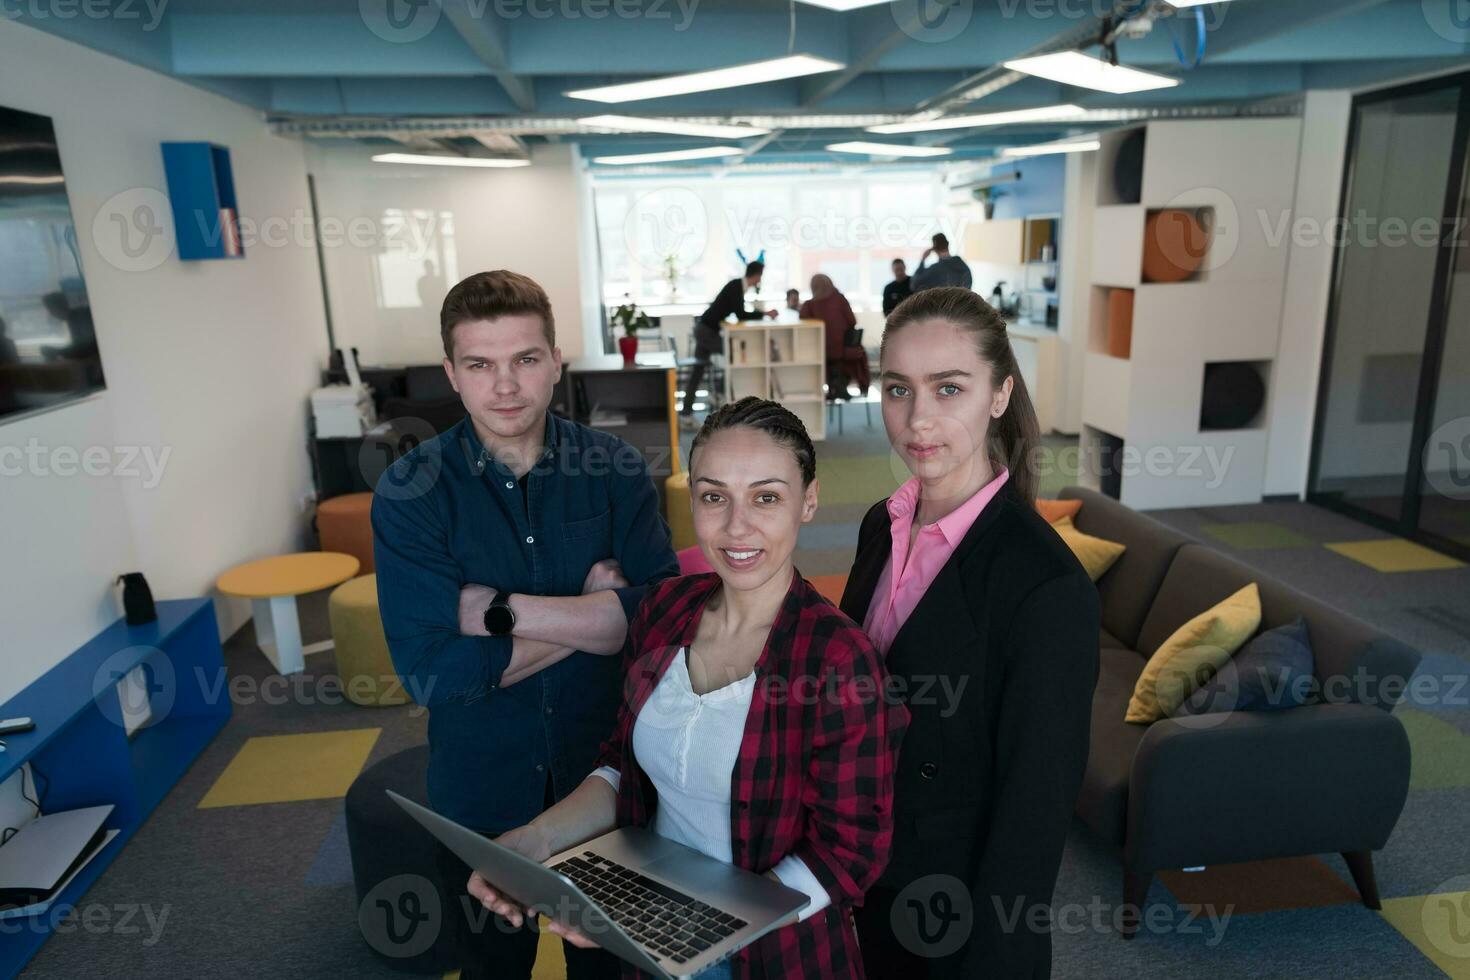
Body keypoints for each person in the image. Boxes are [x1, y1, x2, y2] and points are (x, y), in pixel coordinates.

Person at [467, 396, 908, 980]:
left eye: (767, 497)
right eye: (713, 496)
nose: (736, 526)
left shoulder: (837, 660)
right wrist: (532, 841)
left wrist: (701, 927)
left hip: (769, 956)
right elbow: (620, 767)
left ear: (809, 502)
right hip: (652, 934)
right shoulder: (665, 610)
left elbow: (849, 854)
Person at [371, 270, 679, 980]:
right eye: (480, 364)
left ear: (556, 359)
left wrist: (499, 615)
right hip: (479, 788)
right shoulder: (412, 491)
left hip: (606, 779)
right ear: (451, 371)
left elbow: (661, 624)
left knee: (612, 971)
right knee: (490, 970)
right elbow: (433, 674)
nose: (504, 385)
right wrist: (596, 615)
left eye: (525, 360)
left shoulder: (614, 468)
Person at [839, 287, 1098, 978]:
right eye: (898, 389)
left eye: (948, 388)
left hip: (947, 915)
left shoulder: (1045, 585)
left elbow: (1033, 814)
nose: (918, 420)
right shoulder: (880, 525)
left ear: (999, 393)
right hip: (855, 871)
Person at [682, 261, 778, 426]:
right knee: (733, 354)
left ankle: (686, 413)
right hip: (706, 331)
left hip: (704, 329)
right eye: (760, 277)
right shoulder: (736, 287)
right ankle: (718, 392)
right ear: (756, 275)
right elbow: (741, 314)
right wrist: (765, 313)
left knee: (698, 372)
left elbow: (736, 311)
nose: (759, 281)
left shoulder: (737, 286)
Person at [799, 274, 866, 400]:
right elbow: (852, 321)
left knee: (831, 358)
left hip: (819, 351)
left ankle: (832, 386)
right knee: (856, 354)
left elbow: (803, 325)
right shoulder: (840, 299)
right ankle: (841, 384)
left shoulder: (808, 305)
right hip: (843, 351)